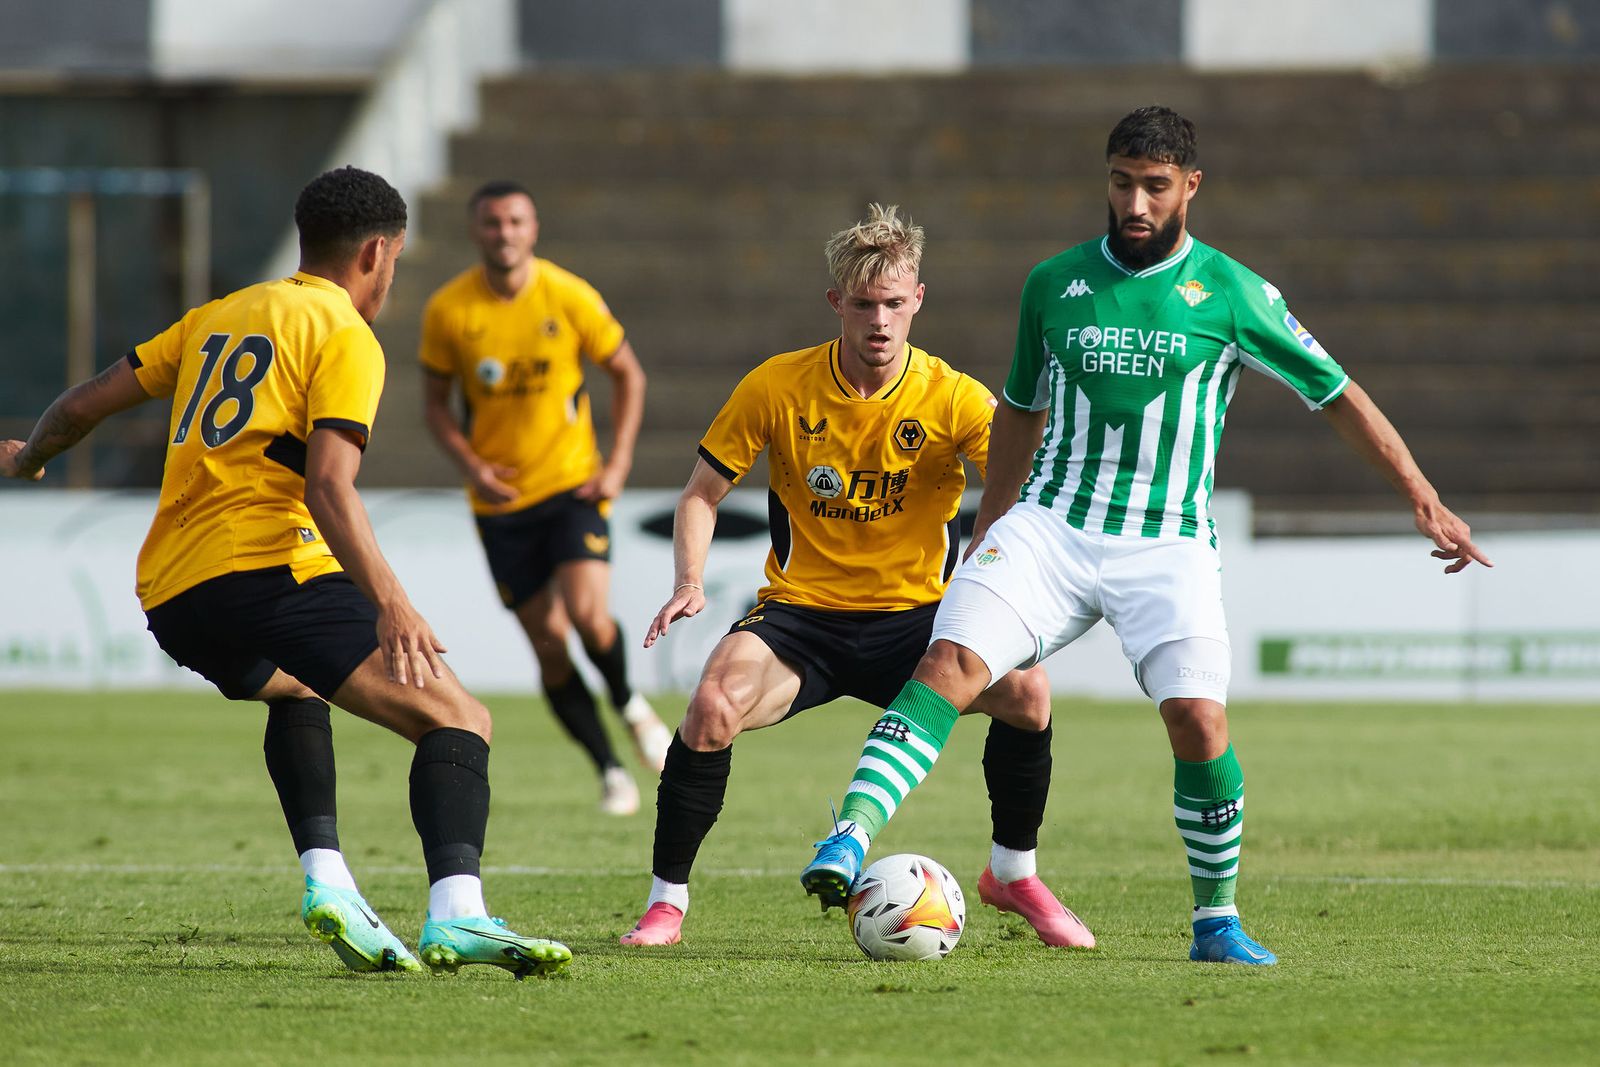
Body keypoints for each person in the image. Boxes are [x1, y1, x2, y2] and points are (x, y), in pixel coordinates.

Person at [802, 108, 1492, 965]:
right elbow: (1018, 409)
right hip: (1051, 523)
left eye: (1155, 186)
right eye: (1122, 182)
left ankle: (1217, 922)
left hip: (1167, 541)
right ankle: (848, 836)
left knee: (1199, 719)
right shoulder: (1053, 283)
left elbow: (1337, 394)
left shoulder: (1234, 292)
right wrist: (992, 522)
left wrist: (1423, 497)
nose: (1135, 203)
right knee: (947, 665)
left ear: (1190, 187)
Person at [0, 166, 571, 979]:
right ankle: (459, 914)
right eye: (395, 259)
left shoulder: (217, 316)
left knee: (296, 688)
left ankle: (328, 879)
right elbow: (330, 487)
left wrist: (28, 457)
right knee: (459, 719)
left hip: (174, 590)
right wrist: (393, 602)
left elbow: (84, 403)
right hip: (270, 566)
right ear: (376, 253)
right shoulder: (344, 333)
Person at [619, 204, 1093, 950]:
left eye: (894, 304)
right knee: (710, 707)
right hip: (801, 617)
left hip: (918, 621)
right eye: (865, 304)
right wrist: (689, 579)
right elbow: (700, 494)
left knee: (1028, 695)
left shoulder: (952, 396)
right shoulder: (777, 385)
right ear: (836, 302)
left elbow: (1028, 482)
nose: (880, 321)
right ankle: (665, 903)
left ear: (918, 301)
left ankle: (1014, 874)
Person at [420, 180, 670, 817]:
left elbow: (629, 374)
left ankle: (630, 705)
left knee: (589, 616)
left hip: (571, 486)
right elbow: (436, 407)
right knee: (550, 645)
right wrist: (472, 465)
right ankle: (610, 769)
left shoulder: (568, 294)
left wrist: (617, 464)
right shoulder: (449, 310)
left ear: (532, 229)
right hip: (501, 505)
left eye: (515, 221)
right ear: (475, 231)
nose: (504, 233)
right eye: (492, 222)